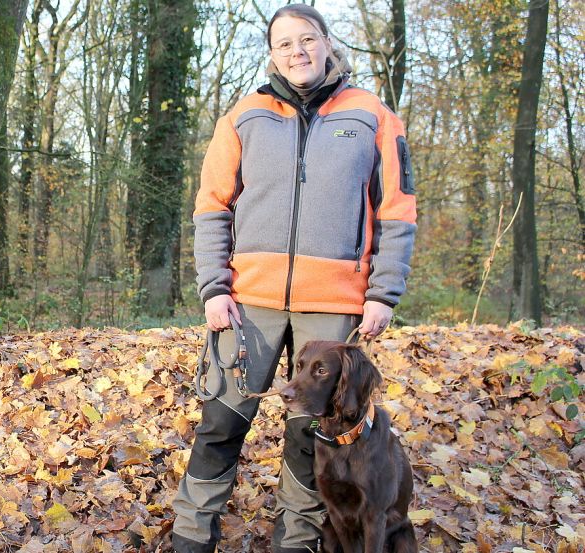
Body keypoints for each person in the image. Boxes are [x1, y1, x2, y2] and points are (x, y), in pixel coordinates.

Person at [170, 4, 417, 553]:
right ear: (271, 53)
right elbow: (212, 206)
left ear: (327, 43)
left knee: (313, 435)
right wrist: (214, 287)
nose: (297, 51)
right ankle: (190, 538)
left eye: (307, 39)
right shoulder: (245, 116)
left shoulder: (372, 116)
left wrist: (383, 293)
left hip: (334, 304)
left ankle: (298, 541)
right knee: (220, 422)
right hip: (246, 302)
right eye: (284, 43)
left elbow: (398, 211)